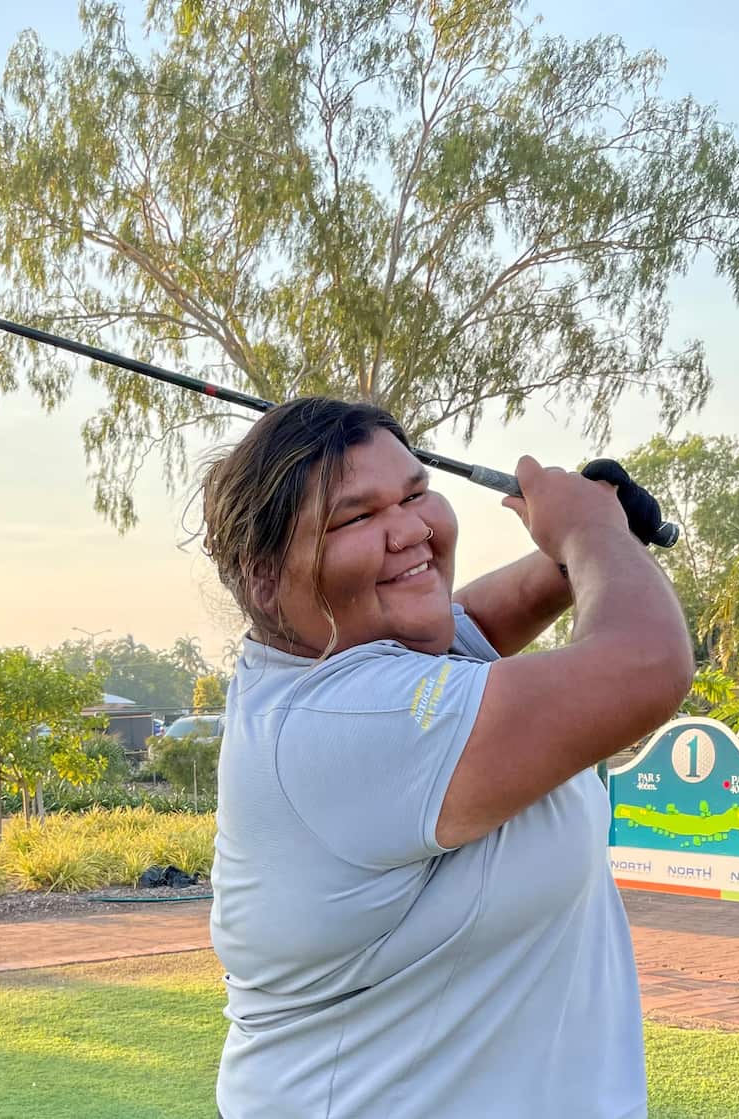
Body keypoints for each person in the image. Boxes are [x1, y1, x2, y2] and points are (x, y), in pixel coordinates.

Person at [201, 397, 693, 1119]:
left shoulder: (362, 653)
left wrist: (579, 548)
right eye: (355, 517)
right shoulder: (354, 718)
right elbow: (646, 665)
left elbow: (473, 618)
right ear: (264, 576)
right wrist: (588, 532)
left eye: (416, 493)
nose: (409, 530)